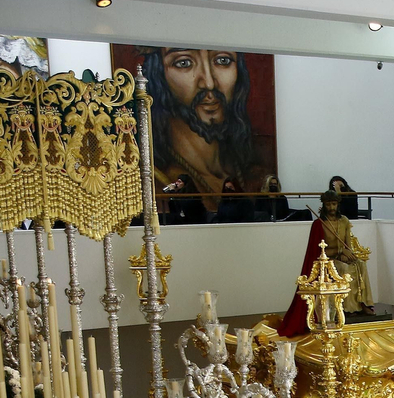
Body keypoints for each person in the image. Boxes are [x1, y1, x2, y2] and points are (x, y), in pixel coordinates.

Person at [143, 47, 267, 202]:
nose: (209, 83)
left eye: (223, 60)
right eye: (184, 63)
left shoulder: (256, 172)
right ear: (159, 75)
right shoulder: (154, 180)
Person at [276, 190, 373, 334]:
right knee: (344, 269)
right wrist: (339, 254)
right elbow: (318, 252)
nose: (332, 208)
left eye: (334, 204)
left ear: (338, 204)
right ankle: (346, 308)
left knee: (361, 265)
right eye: (329, 204)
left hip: (342, 256)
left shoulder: (344, 221)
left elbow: (347, 246)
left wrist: (347, 252)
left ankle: (363, 304)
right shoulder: (319, 224)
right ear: (324, 205)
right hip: (329, 260)